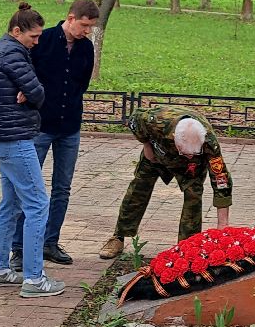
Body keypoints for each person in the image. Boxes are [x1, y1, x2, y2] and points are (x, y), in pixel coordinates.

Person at [9, 0, 99, 270]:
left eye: (91, 27)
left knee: (62, 188)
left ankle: (50, 242)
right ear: (70, 18)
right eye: (84, 25)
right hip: (40, 125)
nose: (87, 31)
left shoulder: (86, 48)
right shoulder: (44, 40)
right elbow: (26, 73)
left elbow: (81, 84)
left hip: (70, 126)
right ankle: (19, 248)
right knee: (28, 188)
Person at [0, 2, 66, 298]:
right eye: (33, 36)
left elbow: (31, 91)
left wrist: (30, 94)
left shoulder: (2, 50)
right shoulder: (13, 54)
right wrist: (31, 95)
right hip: (17, 138)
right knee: (37, 205)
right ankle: (34, 278)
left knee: (11, 204)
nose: (37, 42)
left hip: (5, 138)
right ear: (17, 31)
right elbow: (38, 93)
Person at [99, 106, 232, 260]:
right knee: (138, 189)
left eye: (193, 153)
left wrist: (223, 225)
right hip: (156, 155)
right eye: (185, 152)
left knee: (193, 197)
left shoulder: (209, 141)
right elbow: (135, 119)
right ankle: (118, 236)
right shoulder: (156, 120)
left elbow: (221, 179)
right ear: (174, 137)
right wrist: (146, 144)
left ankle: (188, 247)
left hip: (191, 168)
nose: (189, 156)